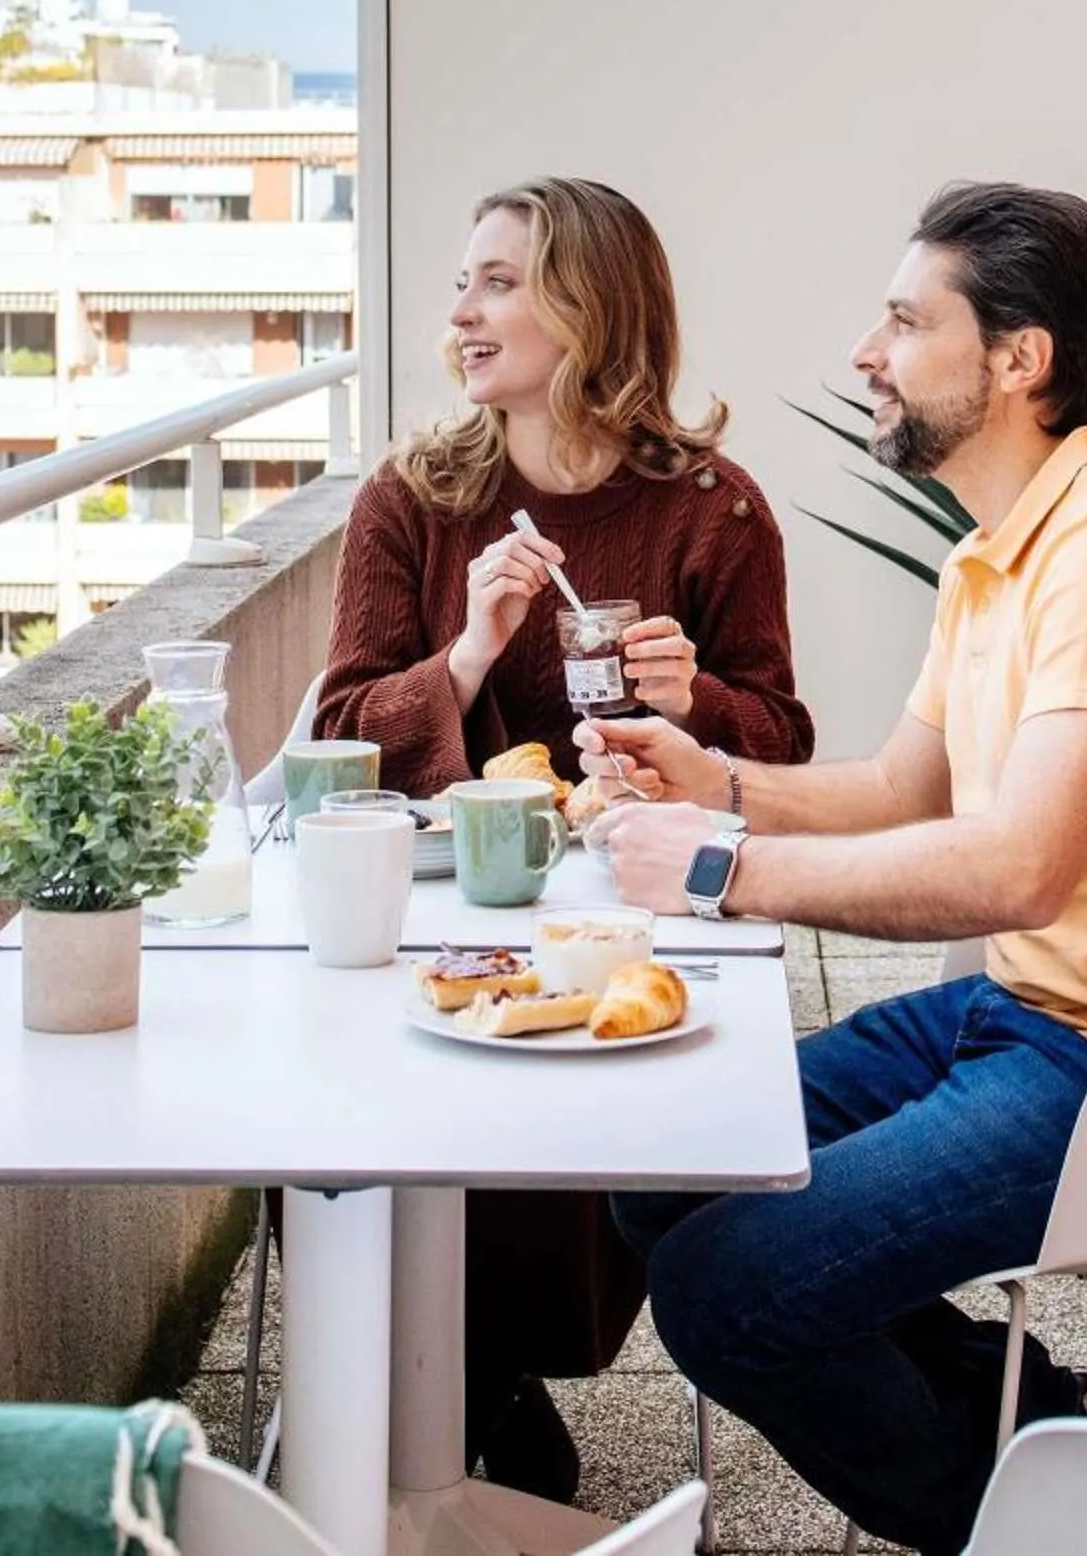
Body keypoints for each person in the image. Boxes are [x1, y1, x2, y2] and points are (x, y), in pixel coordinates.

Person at [578, 181, 1087, 1556]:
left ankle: (1049, 1528)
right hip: (1025, 1018)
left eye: (908, 320)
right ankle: (1039, 1414)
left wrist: (721, 868)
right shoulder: (997, 554)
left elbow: (1020, 867)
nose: (870, 350)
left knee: (731, 1293)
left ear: (1018, 359)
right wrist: (714, 780)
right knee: (663, 1159)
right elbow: (904, 792)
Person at [318, 174, 815, 1501]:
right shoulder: (412, 498)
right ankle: (470, 1387)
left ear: (588, 313)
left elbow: (780, 742)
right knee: (350, 1095)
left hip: (625, 916)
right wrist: (470, 651)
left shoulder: (716, 510)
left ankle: (482, 1374)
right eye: (461, 285)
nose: (462, 316)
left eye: (496, 283)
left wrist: (688, 698)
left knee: (576, 1126)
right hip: (440, 913)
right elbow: (337, 732)